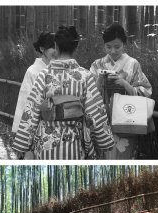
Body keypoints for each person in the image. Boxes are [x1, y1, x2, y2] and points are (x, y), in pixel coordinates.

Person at [11, 25, 115, 160]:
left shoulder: (44, 75)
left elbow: (30, 112)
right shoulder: (85, 76)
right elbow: (96, 112)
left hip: (46, 142)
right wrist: (104, 141)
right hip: (74, 141)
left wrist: (24, 146)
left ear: (56, 45)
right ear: (75, 48)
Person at [90, 23, 153, 159]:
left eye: (117, 46)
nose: (113, 51)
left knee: (125, 152)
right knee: (103, 153)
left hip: (127, 115)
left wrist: (126, 84)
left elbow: (146, 90)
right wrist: (100, 80)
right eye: (108, 47)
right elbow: (90, 93)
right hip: (103, 116)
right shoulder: (97, 64)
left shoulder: (133, 63)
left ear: (124, 44)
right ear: (104, 46)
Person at [12, 32, 56, 159]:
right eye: (52, 47)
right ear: (42, 49)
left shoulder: (60, 70)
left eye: (57, 47)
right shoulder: (32, 71)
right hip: (37, 124)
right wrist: (20, 133)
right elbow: (24, 102)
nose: (56, 51)